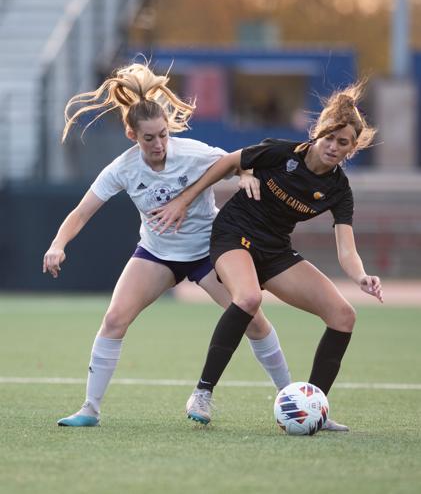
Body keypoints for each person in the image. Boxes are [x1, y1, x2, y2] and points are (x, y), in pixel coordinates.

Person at [42, 62, 293, 427]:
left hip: (209, 251)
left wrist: (247, 175)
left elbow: (238, 161)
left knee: (253, 319)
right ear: (132, 136)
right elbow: (81, 212)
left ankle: (290, 400)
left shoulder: (191, 152)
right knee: (114, 319)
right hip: (157, 254)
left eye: (163, 134)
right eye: (149, 138)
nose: (159, 144)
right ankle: (90, 409)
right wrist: (58, 244)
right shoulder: (122, 169)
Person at [148, 81, 384, 431]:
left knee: (343, 315)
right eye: (329, 138)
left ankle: (313, 407)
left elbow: (346, 248)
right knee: (248, 298)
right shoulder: (282, 153)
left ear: (352, 149)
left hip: (275, 250)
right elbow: (228, 162)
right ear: (318, 134)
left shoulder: (338, 190)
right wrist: (185, 199)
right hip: (233, 234)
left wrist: (361, 276)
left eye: (343, 142)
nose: (333, 147)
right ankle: (203, 392)